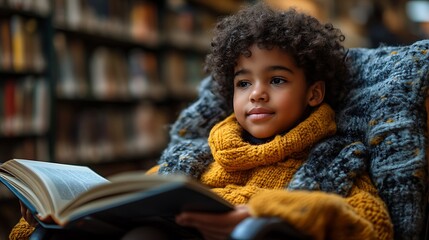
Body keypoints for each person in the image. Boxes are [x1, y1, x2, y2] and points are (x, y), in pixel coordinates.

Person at [10, 2, 393, 240]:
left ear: (313, 93)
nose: (257, 93)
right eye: (244, 83)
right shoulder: (197, 158)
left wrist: (272, 210)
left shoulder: (336, 159)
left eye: (276, 80)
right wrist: (65, 213)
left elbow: (371, 225)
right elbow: (124, 202)